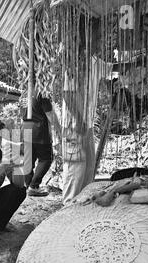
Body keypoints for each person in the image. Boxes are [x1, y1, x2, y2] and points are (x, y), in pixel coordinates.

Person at [61, 47, 112, 205]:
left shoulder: (95, 61)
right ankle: (68, 206)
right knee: (76, 170)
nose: (99, 41)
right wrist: (80, 120)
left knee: (89, 168)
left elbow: (113, 68)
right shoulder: (74, 63)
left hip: (86, 125)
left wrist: (137, 63)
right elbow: (67, 95)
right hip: (74, 126)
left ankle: (81, 205)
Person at [22, 93, 56, 197]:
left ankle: (28, 186)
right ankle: (34, 186)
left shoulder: (26, 92)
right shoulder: (42, 93)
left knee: (29, 160)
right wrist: (60, 130)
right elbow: (50, 115)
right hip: (39, 131)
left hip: (26, 129)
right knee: (46, 159)